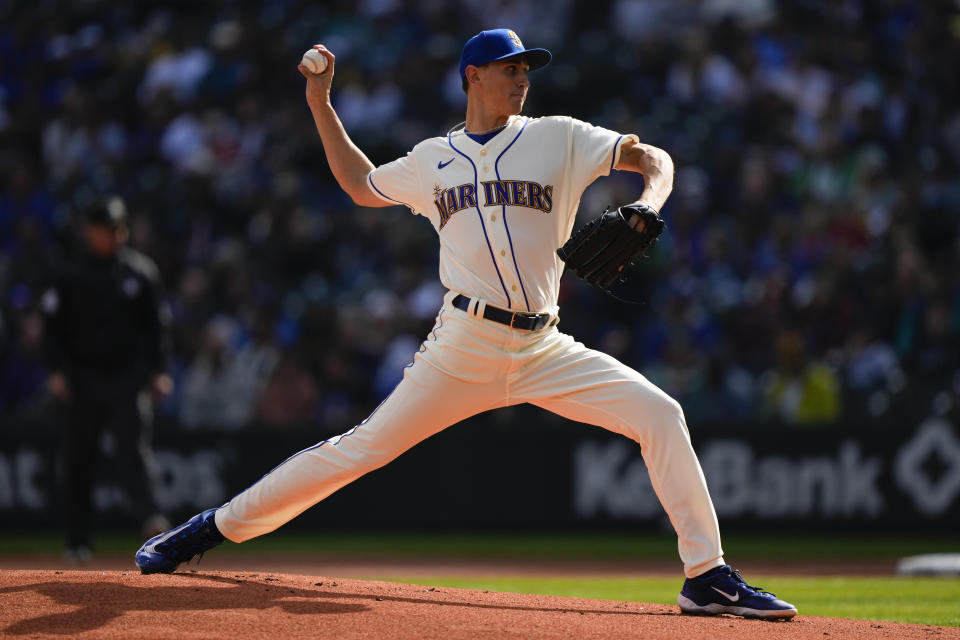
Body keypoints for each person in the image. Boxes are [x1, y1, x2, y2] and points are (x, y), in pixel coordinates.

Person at [136, 29, 797, 620]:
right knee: (357, 452)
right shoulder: (433, 158)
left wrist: (648, 203)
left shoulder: (557, 135)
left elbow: (654, 158)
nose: (521, 77)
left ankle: (706, 578)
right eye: (508, 67)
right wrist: (320, 103)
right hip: (463, 344)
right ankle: (205, 531)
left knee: (660, 414)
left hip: (544, 345)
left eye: (525, 68)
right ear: (471, 76)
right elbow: (361, 185)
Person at [42, 196, 173, 561]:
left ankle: (151, 524)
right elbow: (52, 329)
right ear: (90, 232)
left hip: (126, 379)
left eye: (116, 229)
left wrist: (159, 369)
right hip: (82, 379)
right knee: (78, 459)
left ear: (124, 230)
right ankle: (77, 540)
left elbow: (157, 327)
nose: (111, 236)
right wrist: (55, 370)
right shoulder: (70, 275)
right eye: (104, 230)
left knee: (133, 452)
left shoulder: (140, 272)